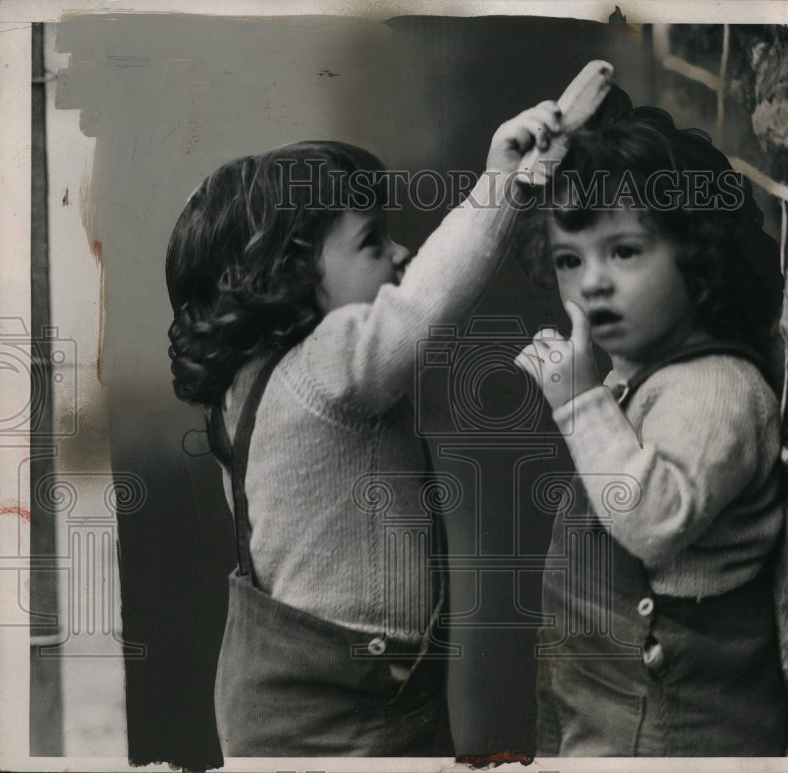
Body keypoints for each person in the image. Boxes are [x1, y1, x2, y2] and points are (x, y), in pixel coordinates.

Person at [165, 101, 561, 756]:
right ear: (288, 278)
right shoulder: (328, 363)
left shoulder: (240, 392)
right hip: (350, 708)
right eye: (374, 242)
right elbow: (424, 303)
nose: (401, 251)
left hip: (281, 700)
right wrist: (503, 187)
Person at [514, 86, 788, 756]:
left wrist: (581, 404)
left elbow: (651, 520)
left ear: (698, 257)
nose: (593, 283)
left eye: (625, 252)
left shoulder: (713, 389)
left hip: (673, 723)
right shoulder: (637, 371)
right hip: (607, 702)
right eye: (570, 260)